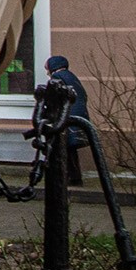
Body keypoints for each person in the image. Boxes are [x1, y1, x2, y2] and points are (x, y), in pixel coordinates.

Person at [44, 54, 90, 186]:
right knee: (70, 150)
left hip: (66, 118)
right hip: (78, 116)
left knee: (63, 149)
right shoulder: (71, 77)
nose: (47, 72)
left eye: (47, 68)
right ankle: (75, 178)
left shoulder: (57, 78)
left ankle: (67, 179)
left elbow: (53, 98)